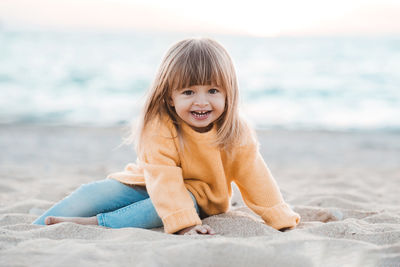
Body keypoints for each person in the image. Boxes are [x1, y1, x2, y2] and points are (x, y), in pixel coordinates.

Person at [32, 37, 300, 235]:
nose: (201, 102)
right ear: (170, 98)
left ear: (228, 93)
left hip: (200, 197)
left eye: (213, 91)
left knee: (154, 209)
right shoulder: (160, 125)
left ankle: (95, 224)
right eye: (188, 92)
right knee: (93, 192)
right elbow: (162, 178)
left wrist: (280, 218)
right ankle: (36, 226)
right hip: (148, 182)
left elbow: (256, 177)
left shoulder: (235, 131)